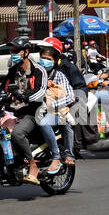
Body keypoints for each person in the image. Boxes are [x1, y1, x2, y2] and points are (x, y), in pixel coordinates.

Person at [7, 47, 51, 182]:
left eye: (17, 51)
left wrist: (24, 97)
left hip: (33, 112)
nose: (13, 54)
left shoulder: (39, 70)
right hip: (14, 110)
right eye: (12, 51)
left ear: (26, 52)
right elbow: (4, 87)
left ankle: (33, 165)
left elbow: (40, 92)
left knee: (17, 133)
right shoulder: (13, 70)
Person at [35, 41, 76, 171]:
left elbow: (70, 97)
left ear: (55, 61)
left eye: (48, 59)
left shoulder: (59, 76)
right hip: (36, 110)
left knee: (46, 123)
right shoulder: (36, 75)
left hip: (56, 112)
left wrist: (51, 106)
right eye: (43, 58)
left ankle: (57, 156)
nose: (45, 61)